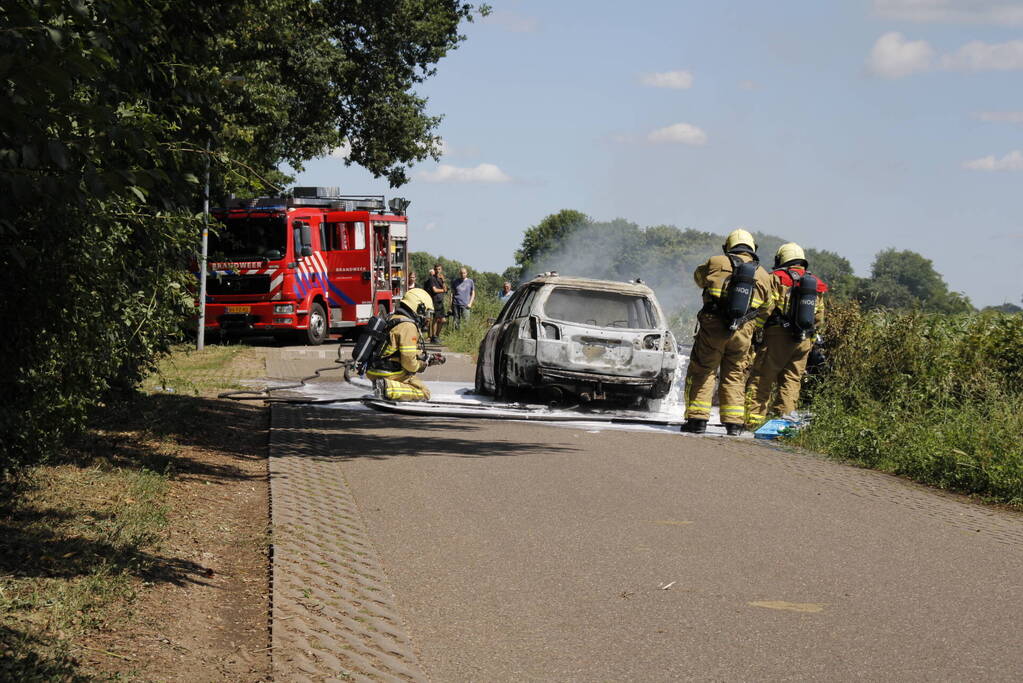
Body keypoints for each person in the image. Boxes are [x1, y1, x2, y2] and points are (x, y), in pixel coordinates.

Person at [680, 228, 774, 436]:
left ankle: (697, 420)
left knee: (704, 370)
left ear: (728, 247)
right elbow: (767, 308)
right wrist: (752, 327)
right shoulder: (763, 274)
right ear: (753, 248)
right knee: (735, 375)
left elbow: (699, 279)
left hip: (713, 327)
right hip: (743, 332)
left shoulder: (716, 262)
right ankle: (734, 424)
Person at [745, 243, 828, 428]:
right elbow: (819, 316)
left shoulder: (776, 278)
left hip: (777, 337)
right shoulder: (815, 283)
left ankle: (752, 421)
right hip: (804, 340)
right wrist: (810, 336)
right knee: (791, 381)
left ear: (781, 259)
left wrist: (757, 329)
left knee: (762, 377)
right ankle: (783, 424)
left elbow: (767, 307)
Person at [366, 288, 437, 401]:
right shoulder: (408, 326)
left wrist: (427, 357)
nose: (427, 317)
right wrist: (421, 365)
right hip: (390, 372)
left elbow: (400, 349)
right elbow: (409, 362)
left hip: (373, 369)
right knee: (424, 392)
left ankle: (384, 385)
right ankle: (387, 387)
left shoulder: (392, 318)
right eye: (426, 312)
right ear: (419, 307)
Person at [425, 264, 447, 343]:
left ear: (441, 270)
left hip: (440, 301)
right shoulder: (432, 279)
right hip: (435, 301)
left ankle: (436, 336)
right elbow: (435, 290)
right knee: (435, 319)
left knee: (443, 320)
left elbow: (445, 289)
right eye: (436, 269)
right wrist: (443, 290)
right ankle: (434, 336)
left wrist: (443, 281)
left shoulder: (441, 279)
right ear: (434, 270)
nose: (438, 271)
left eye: (439, 269)